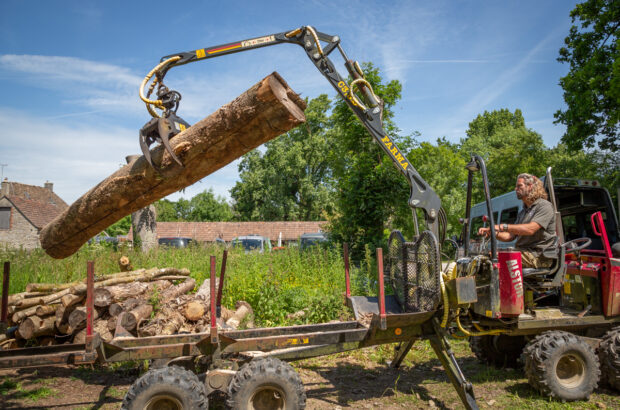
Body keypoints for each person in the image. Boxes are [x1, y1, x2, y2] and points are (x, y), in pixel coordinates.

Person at [478, 173, 558, 268]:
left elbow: (530, 229)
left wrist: (502, 226)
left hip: (539, 256)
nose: (516, 189)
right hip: (524, 253)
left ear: (530, 186)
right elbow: (510, 236)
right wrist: (493, 232)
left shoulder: (544, 206)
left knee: (496, 258)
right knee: (485, 258)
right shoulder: (523, 212)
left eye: (519, 186)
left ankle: (502, 283)